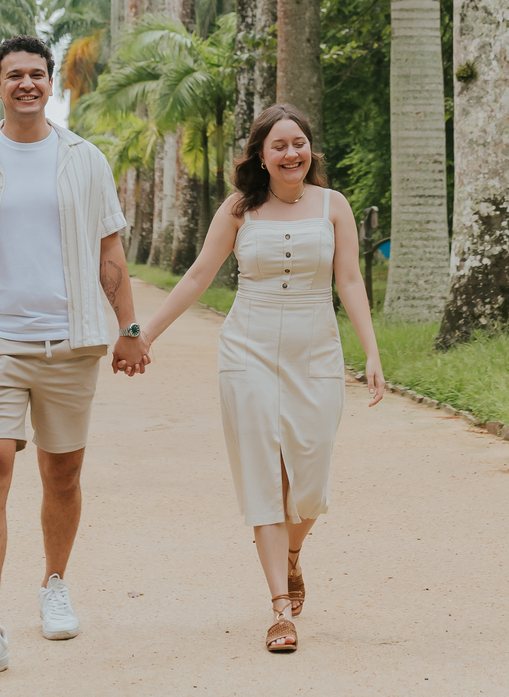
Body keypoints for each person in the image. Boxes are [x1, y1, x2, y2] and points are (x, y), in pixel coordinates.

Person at [0, 34, 150, 684]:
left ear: (50, 84)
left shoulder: (84, 161)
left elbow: (109, 250)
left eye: (37, 74)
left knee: (62, 475)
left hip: (69, 341)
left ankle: (54, 583)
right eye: (14, 74)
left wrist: (129, 327)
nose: (26, 83)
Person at [140, 102, 384, 653]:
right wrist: (147, 333)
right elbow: (198, 275)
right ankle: (280, 610)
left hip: (316, 352)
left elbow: (349, 280)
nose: (291, 153)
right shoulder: (239, 209)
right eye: (279, 145)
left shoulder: (334, 205)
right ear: (260, 155)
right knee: (264, 478)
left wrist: (371, 351)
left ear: (310, 150)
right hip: (247, 353)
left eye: (299, 143)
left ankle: (293, 555)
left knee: (310, 483)